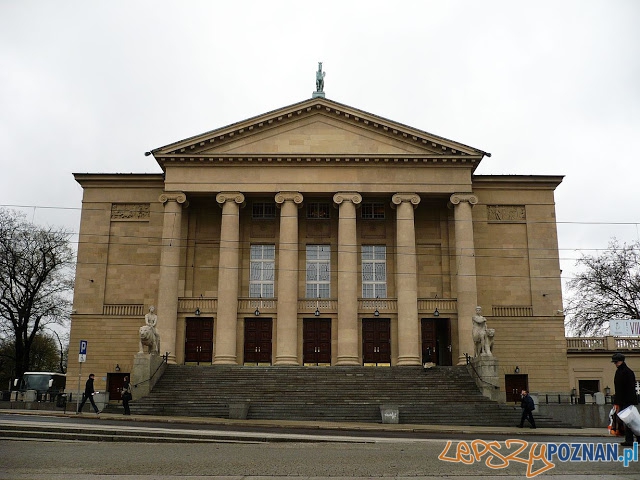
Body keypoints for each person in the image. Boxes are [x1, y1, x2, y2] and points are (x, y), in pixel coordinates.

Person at [612, 352, 639, 447]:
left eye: (616, 362)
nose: (615, 364)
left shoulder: (627, 372)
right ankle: (633, 439)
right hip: (622, 400)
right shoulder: (620, 371)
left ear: (621, 361)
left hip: (627, 400)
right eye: (614, 362)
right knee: (629, 421)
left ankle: (630, 440)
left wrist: (625, 400)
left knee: (629, 421)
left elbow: (629, 388)